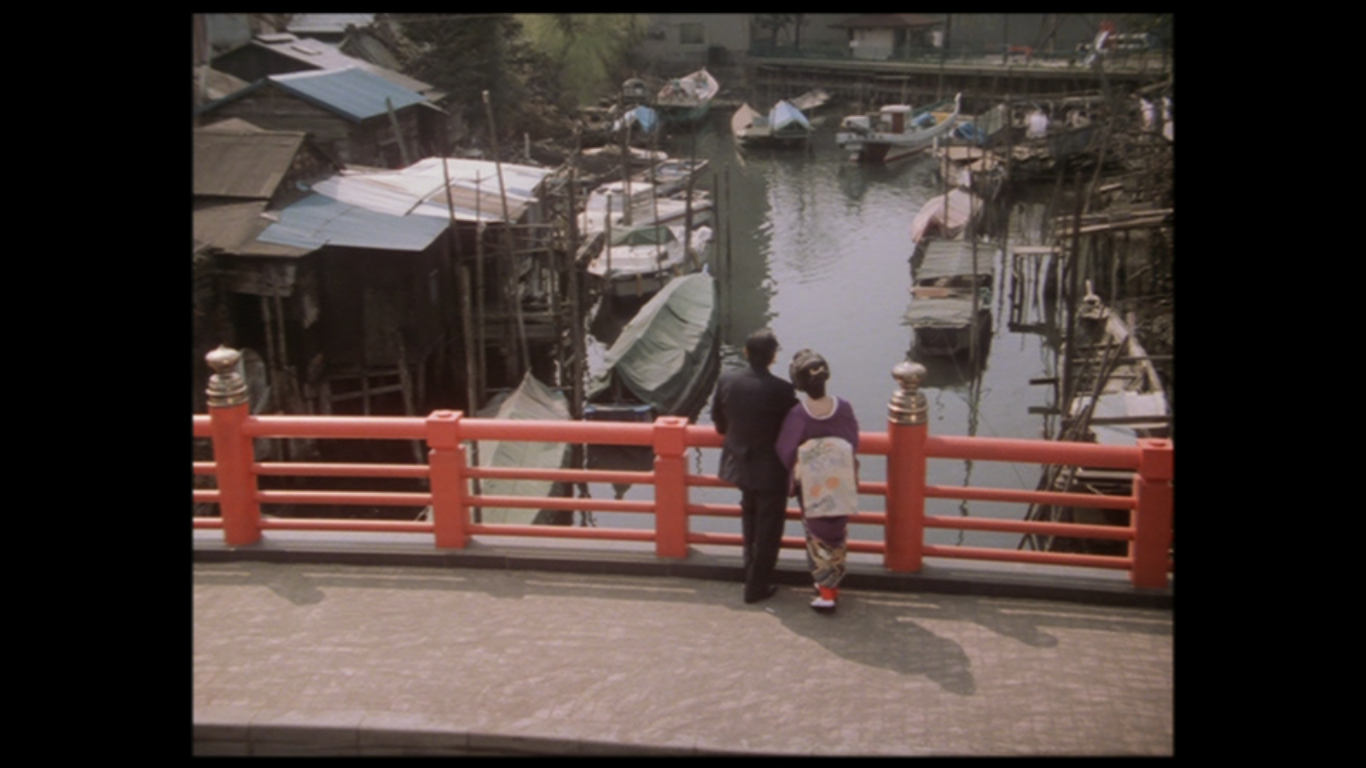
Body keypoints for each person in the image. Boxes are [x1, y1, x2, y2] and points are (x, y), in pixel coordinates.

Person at [711, 329, 798, 604]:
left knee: (749, 520)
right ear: (773, 357)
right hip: (771, 469)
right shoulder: (782, 390)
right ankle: (756, 586)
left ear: (746, 352)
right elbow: (794, 429)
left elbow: (719, 422)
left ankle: (750, 571)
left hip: (740, 462)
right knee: (768, 530)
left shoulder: (727, 380)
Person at [775, 350, 860, 614]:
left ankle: (827, 593)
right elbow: (853, 440)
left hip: (813, 486)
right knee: (837, 535)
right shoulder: (843, 407)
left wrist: (806, 459)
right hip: (840, 481)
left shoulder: (798, 415)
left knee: (817, 537)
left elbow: (785, 450)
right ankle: (832, 586)